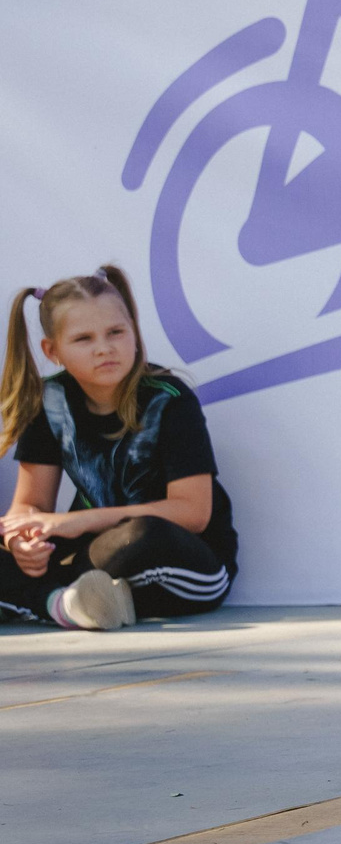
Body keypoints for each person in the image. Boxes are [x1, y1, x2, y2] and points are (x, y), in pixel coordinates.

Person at [1, 267, 238, 631]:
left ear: (134, 331)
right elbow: (28, 506)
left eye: (116, 332)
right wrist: (22, 542)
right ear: (53, 350)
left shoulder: (170, 399)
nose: (104, 348)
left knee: (141, 535)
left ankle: (48, 597)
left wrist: (77, 521)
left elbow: (193, 513)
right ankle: (67, 604)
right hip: (94, 559)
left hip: (178, 560)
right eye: (83, 339)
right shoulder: (48, 400)